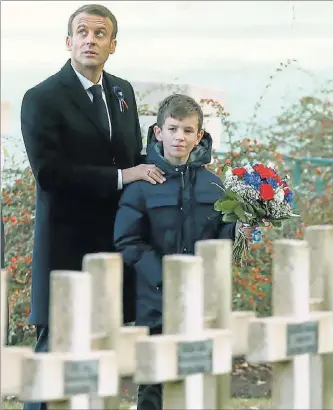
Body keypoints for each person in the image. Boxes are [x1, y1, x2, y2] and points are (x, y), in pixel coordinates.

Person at [20, 6, 166, 410]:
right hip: (66, 247)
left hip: (116, 244)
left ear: (112, 45)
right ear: (68, 42)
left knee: (105, 353)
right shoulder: (41, 98)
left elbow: (132, 154)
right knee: (55, 353)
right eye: (81, 32)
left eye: (100, 33)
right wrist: (124, 177)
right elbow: (50, 174)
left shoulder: (123, 92)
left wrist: (174, 167)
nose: (90, 39)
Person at [113, 94, 251, 410]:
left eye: (188, 131)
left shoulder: (213, 185)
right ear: (158, 132)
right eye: (173, 129)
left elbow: (221, 237)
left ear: (199, 136)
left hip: (200, 302)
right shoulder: (142, 183)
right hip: (155, 303)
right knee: (154, 389)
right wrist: (167, 279)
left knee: (199, 387)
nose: (180, 137)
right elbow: (127, 241)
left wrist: (239, 230)